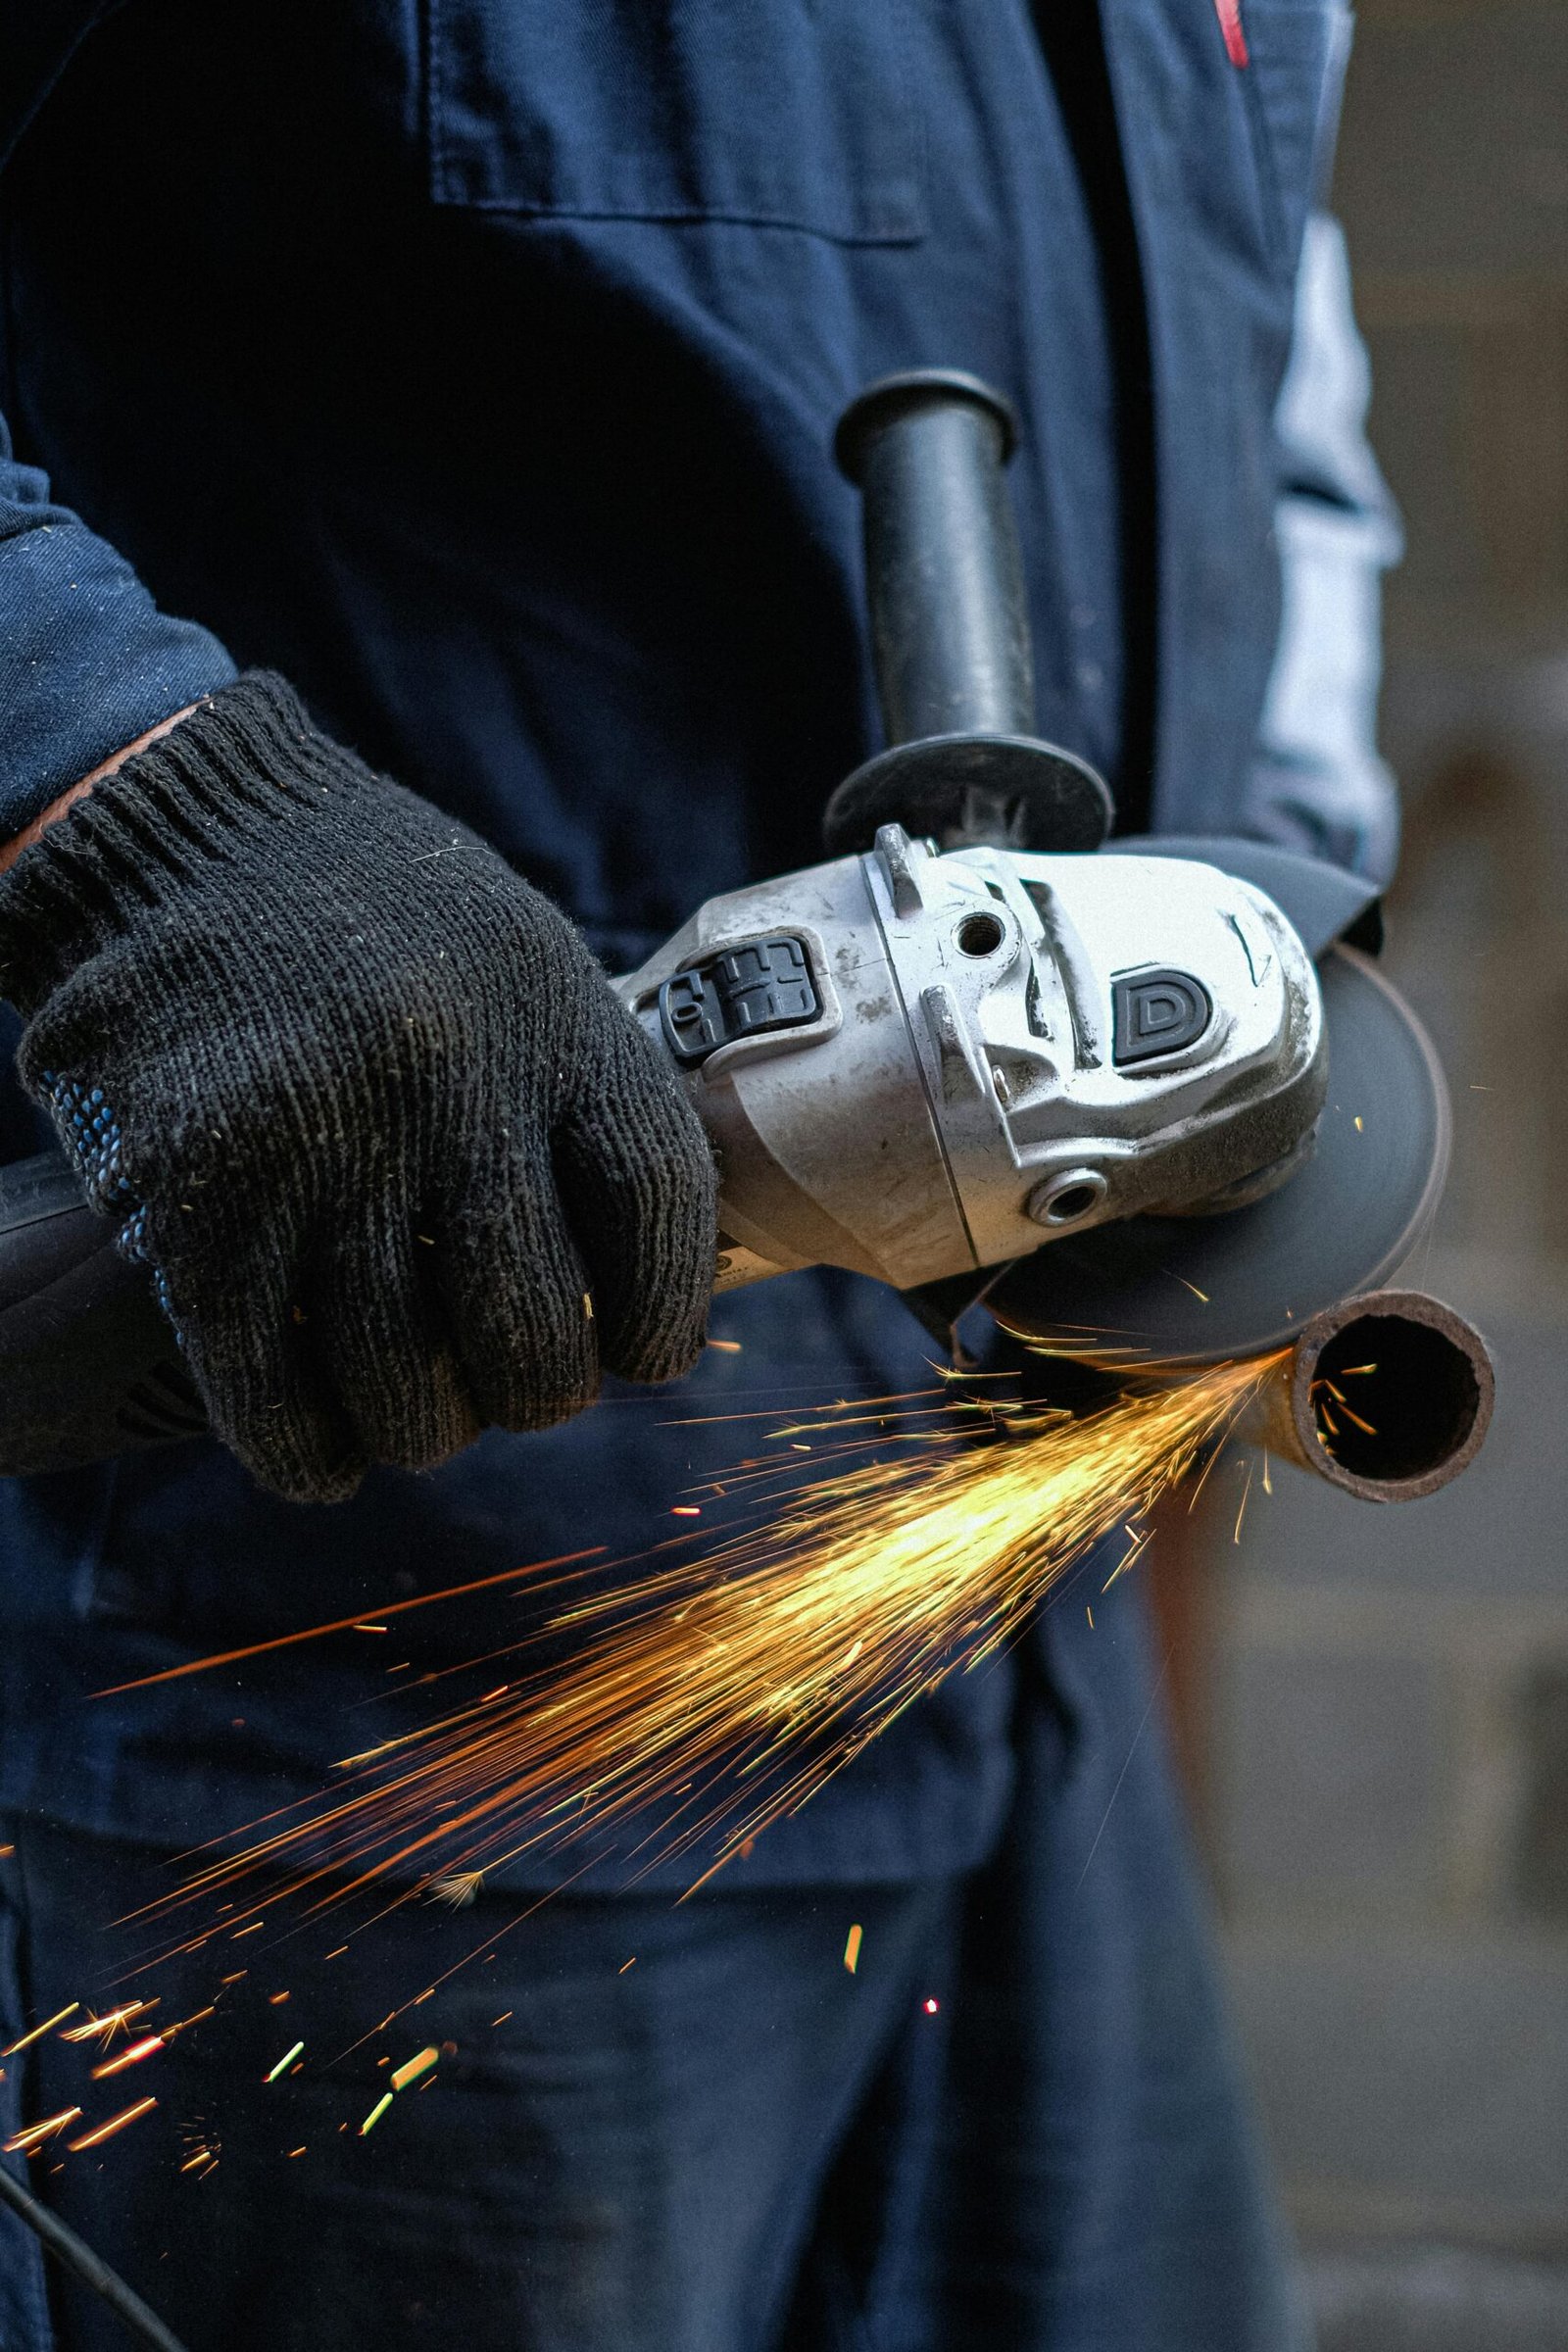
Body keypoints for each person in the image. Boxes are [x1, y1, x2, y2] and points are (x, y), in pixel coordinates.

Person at [0, 5, 1398, 2346]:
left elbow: (1281, 422)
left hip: (1012, 1668)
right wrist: (123, 805)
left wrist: (1292, 874)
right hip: (368, 1731)